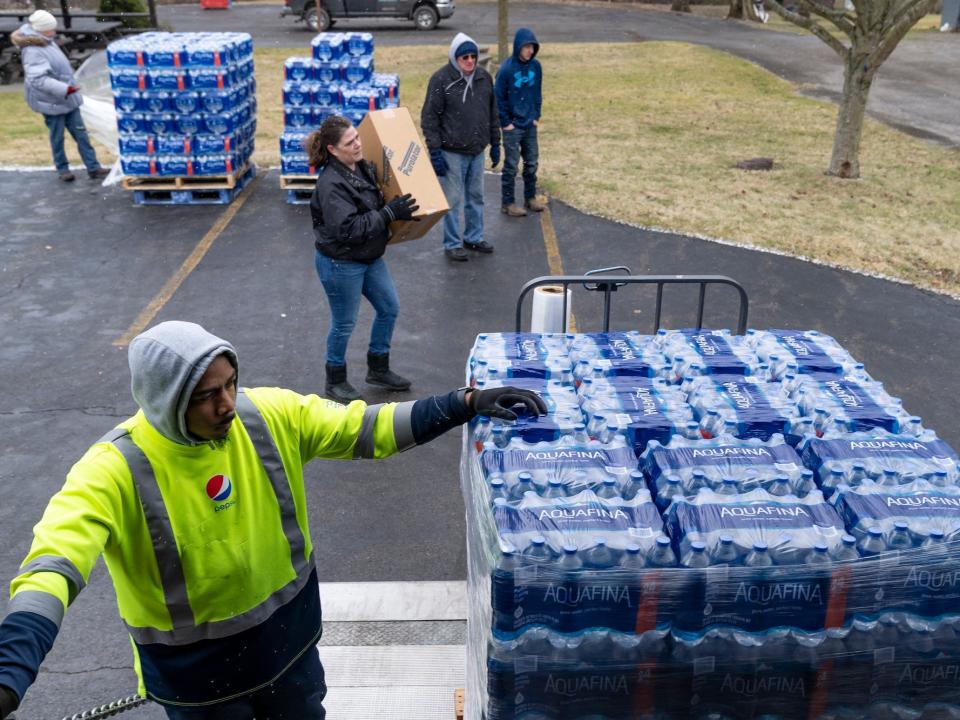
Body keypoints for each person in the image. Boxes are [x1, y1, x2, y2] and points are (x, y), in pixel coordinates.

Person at [0, 320, 546, 720]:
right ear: (166, 401)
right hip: (201, 683)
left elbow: (368, 429)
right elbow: (54, 563)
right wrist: (13, 668)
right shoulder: (114, 469)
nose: (228, 403)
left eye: (231, 383)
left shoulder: (267, 417)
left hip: (290, 650)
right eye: (208, 396)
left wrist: (463, 403)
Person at [307, 114, 419, 403]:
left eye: (357, 137)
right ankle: (335, 380)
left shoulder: (361, 167)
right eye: (350, 142)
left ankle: (378, 369)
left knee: (389, 307)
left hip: (369, 256)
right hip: (341, 262)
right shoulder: (331, 185)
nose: (358, 144)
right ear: (332, 150)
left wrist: (394, 207)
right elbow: (348, 230)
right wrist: (388, 214)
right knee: (344, 322)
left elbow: (375, 202)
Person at [421, 32, 500, 263]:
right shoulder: (440, 80)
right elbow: (429, 118)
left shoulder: (485, 78)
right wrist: (434, 151)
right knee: (453, 200)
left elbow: (492, 113)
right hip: (451, 151)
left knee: (476, 197)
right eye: (464, 57)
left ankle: (474, 237)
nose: (469, 61)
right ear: (455, 58)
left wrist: (496, 143)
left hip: (477, 150)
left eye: (473, 56)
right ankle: (452, 243)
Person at [11, 10, 110, 183]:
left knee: (81, 134)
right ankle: (63, 169)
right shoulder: (33, 50)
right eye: (51, 29)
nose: (54, 32)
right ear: (40, 30)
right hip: (52, 102)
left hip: (67, 98)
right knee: (57, 137)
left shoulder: (45, 41)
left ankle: (93, 167)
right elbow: (38, 79)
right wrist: (66, 89)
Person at [495, 28, 547, 217]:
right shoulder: (506, 69)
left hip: (529, 124)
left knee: (532, 162)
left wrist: (536, 116)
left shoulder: (536, 67)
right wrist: (506, 122)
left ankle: (530, 197)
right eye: (526, 47)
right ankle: (508, 203)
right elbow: (498, 98)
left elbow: (537, 93)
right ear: (518, 47)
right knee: (511, 164)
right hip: (513, 126)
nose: (530, 51)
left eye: (532, 47)